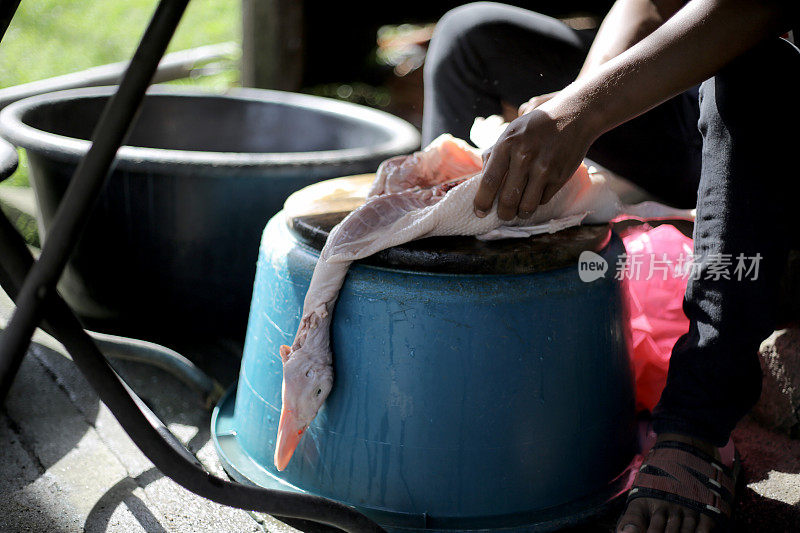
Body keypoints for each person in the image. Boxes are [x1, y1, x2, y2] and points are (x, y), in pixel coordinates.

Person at [422, 1, 800, 532]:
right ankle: (441, 306)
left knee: (754, 73)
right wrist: (578, 95)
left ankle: (698, 428)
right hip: (695, 111)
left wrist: (582, 114)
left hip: (774, 119)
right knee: (470, 35)